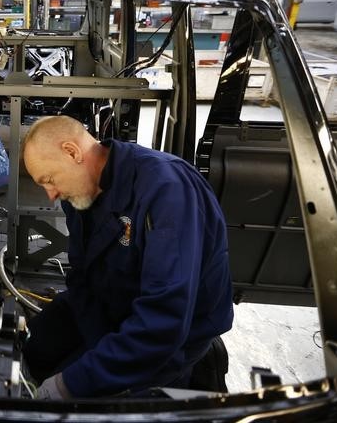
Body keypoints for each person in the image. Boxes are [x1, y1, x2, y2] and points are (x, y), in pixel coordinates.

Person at [21, 115, 233, 399]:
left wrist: (69, 383)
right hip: (108, 308)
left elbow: (164, 323)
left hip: (168, 338)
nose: (51, 194)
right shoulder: (81, 194)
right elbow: (81, 278)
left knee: (67, 399)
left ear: (72, 152)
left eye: (48, 179)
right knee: (28, 350)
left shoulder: (167, 190)